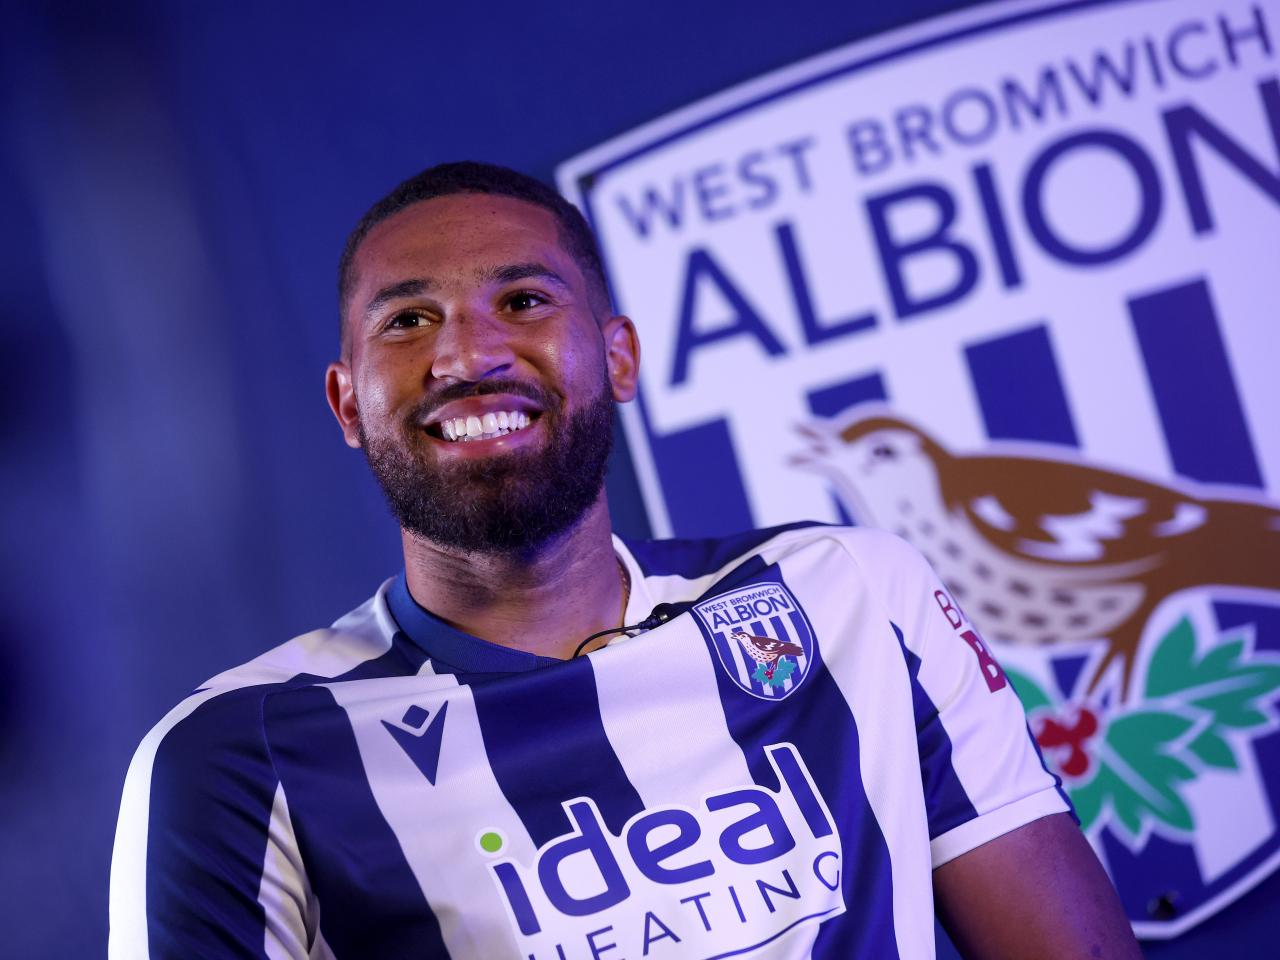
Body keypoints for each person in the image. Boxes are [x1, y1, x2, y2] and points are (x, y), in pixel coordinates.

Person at [109, 161, 1141, 959]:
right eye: (408, 319)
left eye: (522, 301)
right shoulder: (238, 756)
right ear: (347, 404)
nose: (466, 357)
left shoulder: (846, 598)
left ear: (618, 359)